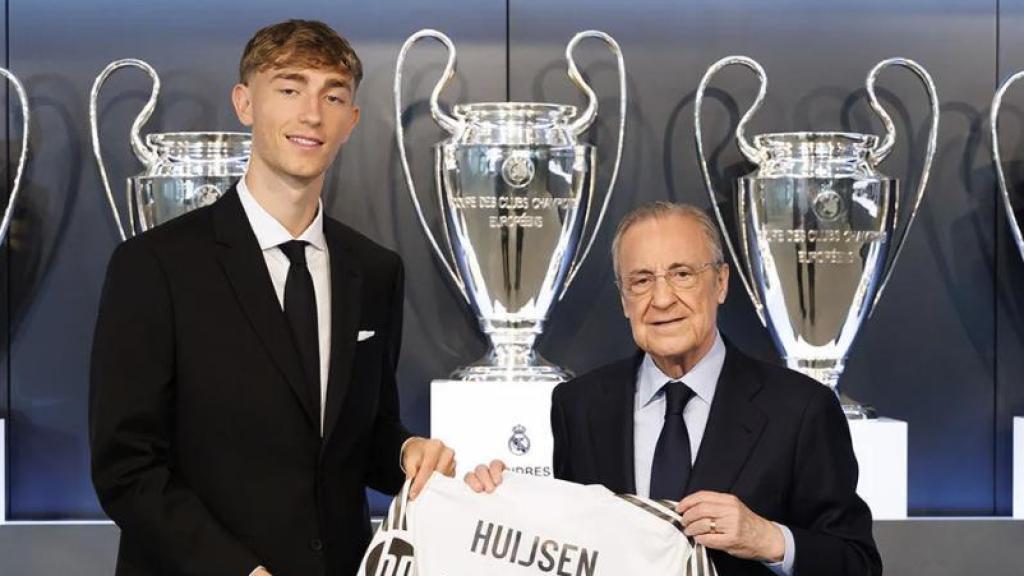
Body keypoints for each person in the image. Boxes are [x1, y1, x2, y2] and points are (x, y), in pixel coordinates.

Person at [90, 19, 454, 576]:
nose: (312, 114)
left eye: (333, 95)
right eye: (289, 88)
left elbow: (358, 435)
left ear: (351, 121)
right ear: (244, 102)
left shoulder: (376, 272)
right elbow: (128, 468)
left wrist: (406, 454)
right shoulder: (155, 266)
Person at [467, 202, 882, 575]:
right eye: (641, 281)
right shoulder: (580, 405)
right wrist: (505, 505)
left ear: (720, 283)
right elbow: (571, 547)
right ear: (624, 300)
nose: (662, 299)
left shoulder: (802, 408)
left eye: (682, 274)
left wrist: (769, 539)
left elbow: (857, 564)